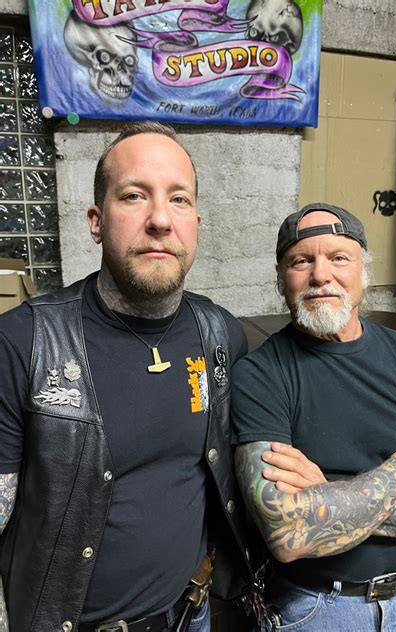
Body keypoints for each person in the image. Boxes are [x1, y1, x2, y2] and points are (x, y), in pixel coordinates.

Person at [0, 122, 257, 632]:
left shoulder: (220, 334)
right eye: (134, 195)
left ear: (196, 222)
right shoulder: (23, 341)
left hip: (191, 614)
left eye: (179, 199)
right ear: (96, 221)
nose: (160, 219)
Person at [231, 203, 396, 631]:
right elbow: (287, 534)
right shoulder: (259, 375)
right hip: (316, 609)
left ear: (365, 271)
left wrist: (328, 500)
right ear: (281, 279)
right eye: (301, 261)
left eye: (339, 258)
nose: (320, 275)